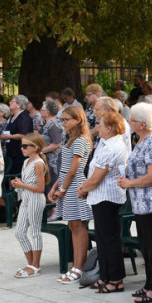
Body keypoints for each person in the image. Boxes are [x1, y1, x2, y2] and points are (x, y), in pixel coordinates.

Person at [118, 103, 152, 303]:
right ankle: (151, 283)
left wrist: (130, 182)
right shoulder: (142, 139)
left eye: (132, 120)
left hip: (150, 202)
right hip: (141, 202)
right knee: (146, 245)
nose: (129, 122)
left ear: (142, 124)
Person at [77, 111, 130, 293]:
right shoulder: (105, 143)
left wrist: (83, 188)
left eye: (100, 124)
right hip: (100, 196)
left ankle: (116, 279)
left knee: (109, 240)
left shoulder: (112, 147)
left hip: (107, 196)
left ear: (109, 128)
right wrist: (87, 188)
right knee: (102, 239)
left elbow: (97, 178)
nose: (97, 127)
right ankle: (105, 275)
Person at [48, 105, 94, 284]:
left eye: (66, 120)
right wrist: (55, 187)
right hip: (68, 185)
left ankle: (79, 268)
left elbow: (74, 170)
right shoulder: (71, 139)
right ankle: (75, 266)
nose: (63, 123)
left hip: (75, 186)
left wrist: (62, 189)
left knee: (78, 227)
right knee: (73, 226)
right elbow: (65, 169)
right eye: (62, 120)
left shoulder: (81, 140)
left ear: (78, 120)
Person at [12, 134, 49, 278]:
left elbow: (40, 189)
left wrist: (22, 185)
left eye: (25, 146)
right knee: (19, 232)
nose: (22, 148)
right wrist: (19, 184)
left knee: (35, 232)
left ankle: (35, 266)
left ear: (36, 148)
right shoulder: (26, 162)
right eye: (21, 146)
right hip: (26, 199)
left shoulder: (38, 163)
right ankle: (31, 264)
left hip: (35, 199)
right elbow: (28, 183)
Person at [4, 95, 35, 175]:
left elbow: (24, 135)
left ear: (19, 105)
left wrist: (8, 136)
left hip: (20, 151)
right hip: (11, 151)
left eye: (12, 101)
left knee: (18, 173)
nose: (10, 102)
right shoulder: (12, 116)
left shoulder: (24, 117)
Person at [39, 99, 63, 194]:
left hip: (53, 161)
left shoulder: (54, 124)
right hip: (46, 159)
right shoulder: (45, 123)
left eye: (42, 110)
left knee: (52, 183)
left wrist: (41, 151)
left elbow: (57, 144)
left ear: (47, 112)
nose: (40, 111)